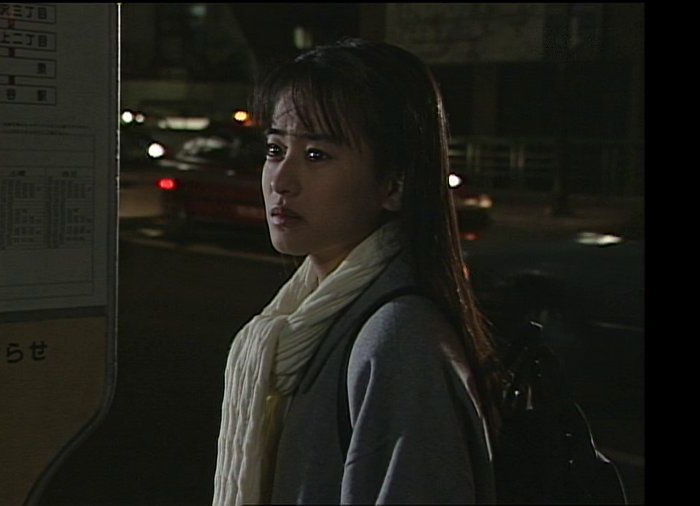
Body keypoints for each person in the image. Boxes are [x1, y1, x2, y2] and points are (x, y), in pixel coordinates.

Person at [213, 38, 501, 505]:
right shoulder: (308, 317)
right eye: (275, 149)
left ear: (394, 184)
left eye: (316, 155)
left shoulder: (396, 336)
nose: (281, 181)